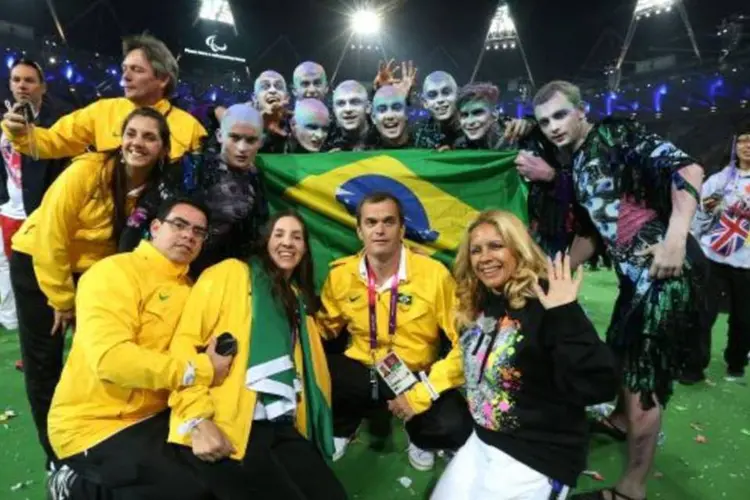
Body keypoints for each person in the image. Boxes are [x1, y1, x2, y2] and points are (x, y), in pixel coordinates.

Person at [531, 80, 707, 500]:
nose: (553, 127)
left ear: (580, 111)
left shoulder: (615, 133)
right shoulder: (576, 161)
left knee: (640, 379)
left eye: (560, 115)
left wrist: (676, 237)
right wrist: (553, 271)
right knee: (620, 350)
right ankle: (621, 420)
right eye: (544, 121)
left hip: (668, 275)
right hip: (636, 280)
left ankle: (632, 489)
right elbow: (596, 228)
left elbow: (688, 169)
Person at [10, 107, 172, 467]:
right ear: (120, 136)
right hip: (39, 264)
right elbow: (50, 235)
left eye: (150, 137)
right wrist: (62, 299)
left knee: (96, 358)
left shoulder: (160, 186)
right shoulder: (90, 170)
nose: (137, 143)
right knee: (44, 364)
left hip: (92, 274)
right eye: (132, 133)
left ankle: (95, 437)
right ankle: (55, 457)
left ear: (163, 148)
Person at [46, 197, 228, 500]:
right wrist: (200, 370)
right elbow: (111, 360)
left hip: (156, 415)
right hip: (95, 423)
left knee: (222, 472)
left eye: (198, 232)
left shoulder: (193, 289)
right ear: (155, 228)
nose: (188, 236)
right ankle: (75, 487)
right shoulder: (114, 273)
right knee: (185, 491)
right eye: (179, 225)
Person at [431, 210, 617, 499]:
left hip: (537, 450)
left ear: (517, 248)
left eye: (496, 245)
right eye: (476, 250)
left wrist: (566, 314)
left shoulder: (545, 299)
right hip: (484, 438)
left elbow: (600, 384)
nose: (484, 257)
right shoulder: (484, 300)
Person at [168, 211, 347, 500]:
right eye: (279, 234)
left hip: (279, 423)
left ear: (304, 249)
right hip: (229, 423)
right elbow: (183, 346)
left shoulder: (297, 301)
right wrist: (197, 420)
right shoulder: (230, 273)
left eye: (296, 237)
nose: (288, 243)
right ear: (265, 241)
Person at [318, 192, 473, 471]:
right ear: (359, 230)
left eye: (389, 222)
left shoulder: (434, 274)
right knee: (317, 372)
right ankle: (344, 426)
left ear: (402, 229)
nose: (379, 230)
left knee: (455, 426)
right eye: (371, 222)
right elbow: (324, 330)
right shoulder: (340, 275)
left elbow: (466, 343)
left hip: (414, 374)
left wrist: (421, 395)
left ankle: (422, 437)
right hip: (363, 367)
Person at [1, 34, 205, 161]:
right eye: (124, 68)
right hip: (104, 225)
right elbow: (55, 141)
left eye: (136, 70)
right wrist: (19, 133)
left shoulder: (190, 129)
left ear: (162, 79)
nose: (125, 76)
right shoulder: (102, 111)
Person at [120, 104, 269, 274]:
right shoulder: (190, 167)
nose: (242, 148)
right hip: (162, 269)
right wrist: (125, 267)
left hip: (215, 277)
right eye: (234, 138)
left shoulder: (256, 179)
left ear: (261, 142)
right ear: (220, 135)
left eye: (251, 140)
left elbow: (255, 235)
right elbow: (140, 216)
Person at [0, 59, 71, 351]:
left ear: (42, 86)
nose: (22, 86)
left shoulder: (59, 122)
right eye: (16, 80)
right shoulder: (5, 119)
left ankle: (48, 342)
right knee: (11, 276)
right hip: (9, 211)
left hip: (42, 215)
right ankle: (19, 336)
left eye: (29, 80)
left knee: (44, 280)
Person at [689, 121, 750, 381]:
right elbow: (697, 213)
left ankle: (735, 361)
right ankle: (693, 366)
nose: (748, 147)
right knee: (702, 311)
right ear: (735, 146)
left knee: (744, 317)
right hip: (713, 255)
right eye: (744, 141)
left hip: (747, 261)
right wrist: (707, 209)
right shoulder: (720, 178)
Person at [327, 80, 376, 151]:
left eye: (355, 102)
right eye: (341, 103)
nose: (348, 109)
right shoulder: (325, 140)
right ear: (334, 110)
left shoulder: (383, 137)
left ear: (368, 107)